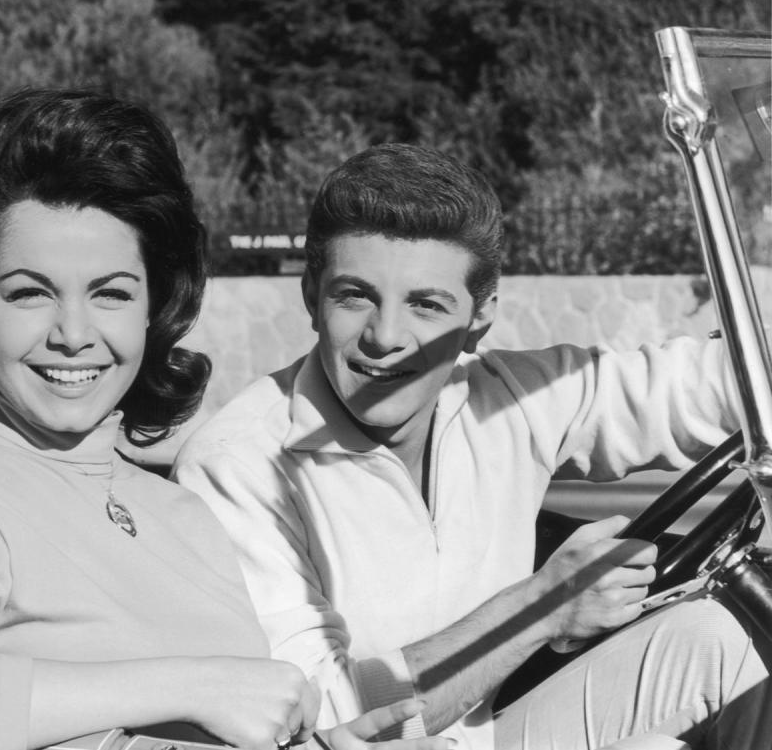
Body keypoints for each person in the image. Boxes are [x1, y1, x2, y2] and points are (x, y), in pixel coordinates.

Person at [0, 91, 457, 750]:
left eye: (110, 293)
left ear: (151, 311)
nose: (74, 334)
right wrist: (196, 685)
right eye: (29, 293)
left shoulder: (183, 513)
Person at [171, 143, 772, 749]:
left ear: (480, 316)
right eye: (355, 295)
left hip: (488, 737)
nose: (385, 337)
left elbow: (704, 384)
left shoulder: (506, 396)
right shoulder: (238, 466)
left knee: (724, 640)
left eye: (426, 305)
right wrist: (540, 608)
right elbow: (323, 716)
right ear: (310, 295)